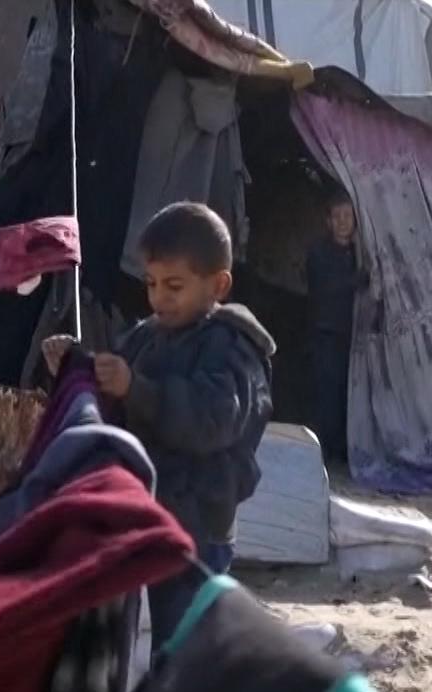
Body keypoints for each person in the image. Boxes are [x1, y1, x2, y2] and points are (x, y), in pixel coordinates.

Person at [48, 202, 273, 647]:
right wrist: (77, 366)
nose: (158, 299)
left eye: (174, 286)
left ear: (218, 284)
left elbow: (213, 420)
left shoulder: (231, 346)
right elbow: (117, 396)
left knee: (186, 641)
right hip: (148, 511)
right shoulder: (148, 336)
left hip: (199, 523)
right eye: (151, 285)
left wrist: (138, 389)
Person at [304, 191, 362, 462]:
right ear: (328, 221)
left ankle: (347, 451)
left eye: (347, 216)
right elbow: (324, 288)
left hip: (355, 334)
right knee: (329, 393)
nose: (342, 222)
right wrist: (357, 280)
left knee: (352, 394)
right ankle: (325, 453)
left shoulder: (360, 252)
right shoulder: (319, 253)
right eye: (337, 216)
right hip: (327, 333)